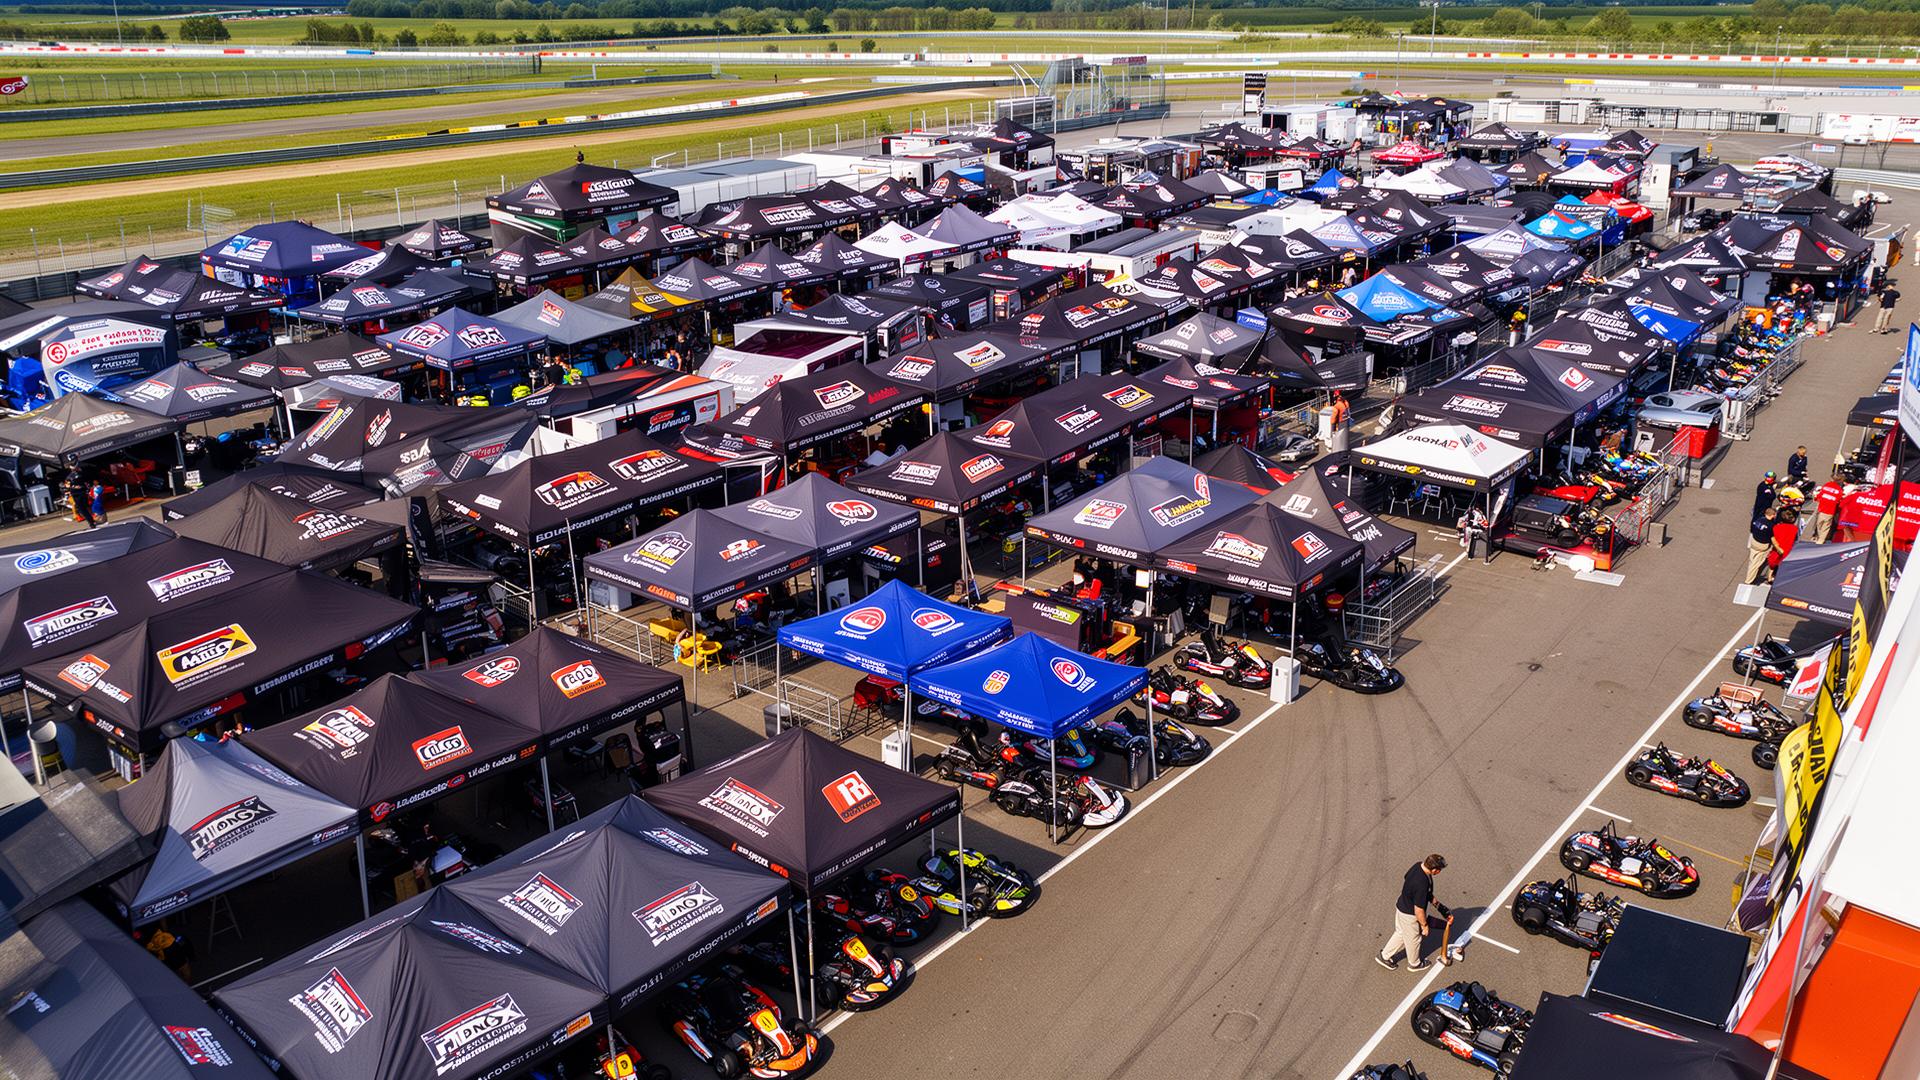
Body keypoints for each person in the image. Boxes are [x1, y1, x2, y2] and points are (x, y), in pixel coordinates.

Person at [1377, 854, 1451, 971]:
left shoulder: (1418, 866)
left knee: (1401, 933)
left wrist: (1441, 908)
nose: (1439, 872)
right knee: (1414, 939)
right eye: (1439, 870)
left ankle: (1384, 955)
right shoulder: (1421, 883)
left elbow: (1408, 878)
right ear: (1434, 870)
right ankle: (1414, 964)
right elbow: (1419, 910)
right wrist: (1424, 925)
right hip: (1410, 915)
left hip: (1402, 905)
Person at [1768, 509, 1801, 582]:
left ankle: (1770, 577)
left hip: (1777, 549)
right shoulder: (1794, 529)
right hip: (1788, 549)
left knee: (1773, 564)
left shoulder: (1776, 527)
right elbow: (1796, 540)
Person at [1814, 471, 1845, 543]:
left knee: (1820, 525)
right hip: (1830, 511)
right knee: (1825, 527)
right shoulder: (1839, 490)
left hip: (1821, 509)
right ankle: (1820, 540)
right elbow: (1839, 501)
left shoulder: (1826, 485)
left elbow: (1819, 495)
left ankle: (1820, 540)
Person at [1747, 508, 1776, 586]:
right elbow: (1771, 537)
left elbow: (1752, 529)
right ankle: (1749, 580)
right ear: (1772, 515)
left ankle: (1751, 574)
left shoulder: (1758, 520)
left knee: (1752, 559)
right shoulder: (1771, 525)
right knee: (1756, 564)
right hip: (1762, 546)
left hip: (1754, 541)